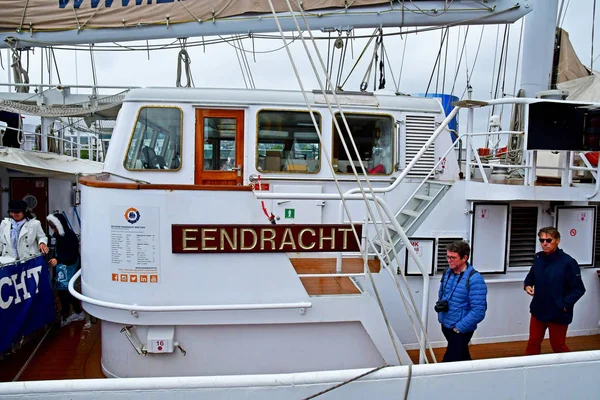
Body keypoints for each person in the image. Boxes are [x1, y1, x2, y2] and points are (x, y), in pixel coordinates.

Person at [524, 227, 586, 355]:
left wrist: (563, 305)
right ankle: (530, 371)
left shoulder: (568, 262)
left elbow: (578, 289)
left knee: (558, 345)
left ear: (557, 241)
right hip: (538, 309)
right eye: (541, 240)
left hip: (558, 312)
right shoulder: (538, 258)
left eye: (548, 240)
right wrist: (527, 285)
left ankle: (570, 371)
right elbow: (532, 275)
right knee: (533, 343)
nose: (544, 243)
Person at [437, 240, 488, 362]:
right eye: (448, 257)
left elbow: (479, 311)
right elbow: (441, 294)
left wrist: (459, 328)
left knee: (448, 363)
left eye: (453, 258)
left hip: (460, 329)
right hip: (447, 325)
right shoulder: (447, 273)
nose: (449, 260)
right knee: (462, 358)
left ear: (464, 258)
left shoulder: (475, 279)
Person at [47, 212, 85, 327]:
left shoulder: (69, 236)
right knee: (63, 291)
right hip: (62, 268)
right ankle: (72, 313)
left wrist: (58, 259)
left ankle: (70, 314)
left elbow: (72, 254)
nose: (53, 229)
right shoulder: (59, 236)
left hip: (69, 266)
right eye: (51, 227)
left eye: (54, 227)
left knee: (66, 292)